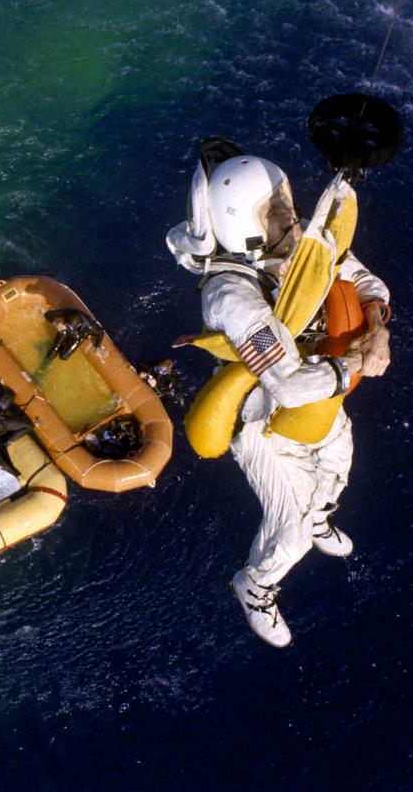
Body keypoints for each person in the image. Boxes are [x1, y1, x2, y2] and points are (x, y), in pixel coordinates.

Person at [166, 138, 392, 648]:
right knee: (287, 535)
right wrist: (355, 362)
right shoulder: (231, 298)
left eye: (288, 203)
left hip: (319, 388)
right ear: (241, 224)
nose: (294, 219)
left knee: (339, 461)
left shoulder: (294, 250)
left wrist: (377, 323)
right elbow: (286, 384)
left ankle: (319, 515)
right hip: (263, 423)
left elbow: (360, 276)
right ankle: (256, 585)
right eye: (278, 213)